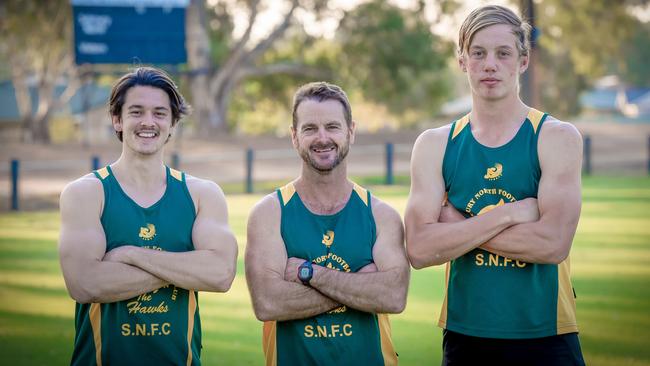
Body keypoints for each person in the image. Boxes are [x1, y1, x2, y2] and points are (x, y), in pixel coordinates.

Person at [405, 5, 585, 365]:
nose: (490, 64)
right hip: (465, 336)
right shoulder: (435, 144)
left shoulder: (555, 137)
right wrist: (512, 213)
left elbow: (551, 244)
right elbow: (421, 248)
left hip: (546, 334)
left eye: (503, 53)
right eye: (478, 53)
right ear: (462, 61)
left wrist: (458, 227)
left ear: (522, 61)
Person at [58, 67, 238, 366]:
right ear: (117, 119)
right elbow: (84, 284)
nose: (148, 122)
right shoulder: (86, 193)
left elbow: (220, 275)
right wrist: (184, 269)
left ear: (172, 124)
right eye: (136, 112)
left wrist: (129, 254)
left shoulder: (201, 194)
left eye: (159, 113)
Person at [245, 82, 410, 365]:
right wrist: (363, 286)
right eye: (310, 129)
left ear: (351, 131)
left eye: (332, 127)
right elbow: (268, 303)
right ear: (294, 137)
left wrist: (308, 274)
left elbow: (393, 297)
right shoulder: (270, 213)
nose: (322, 138)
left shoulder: (381, 215)